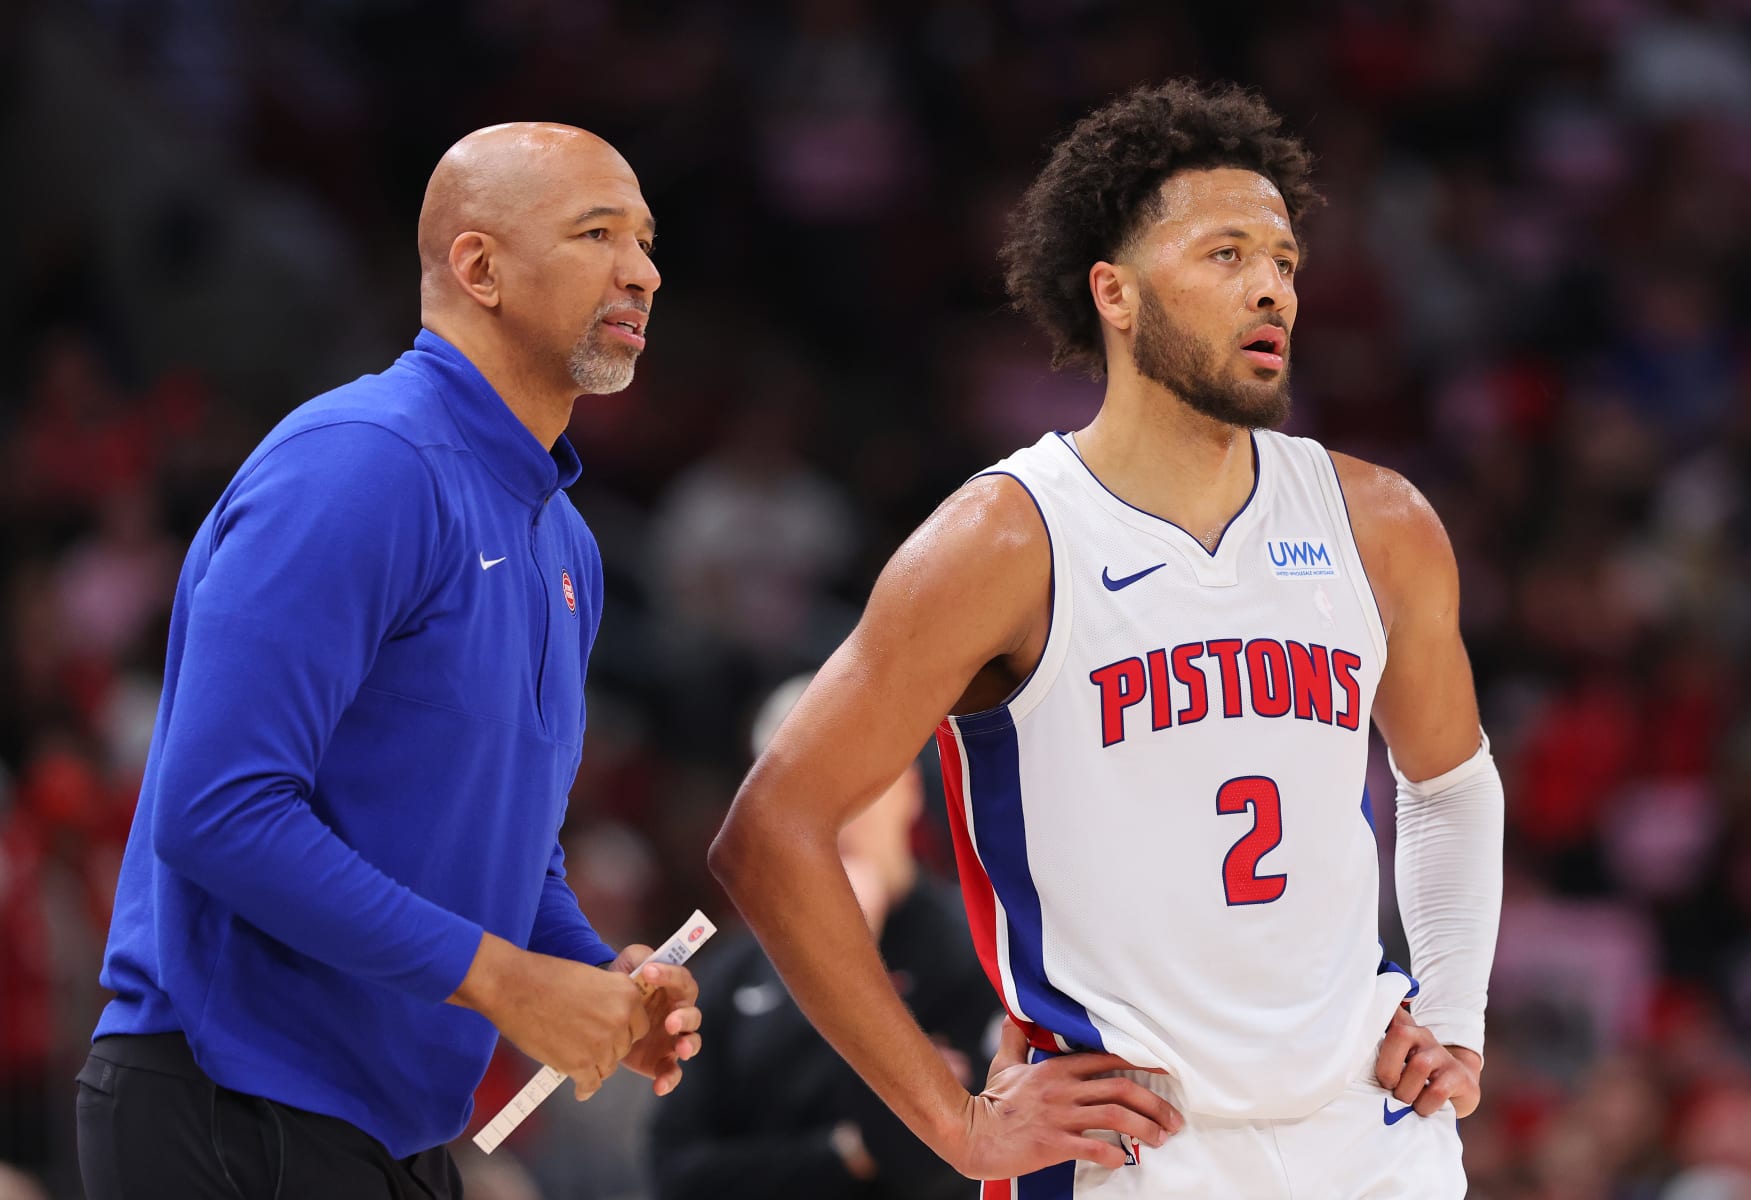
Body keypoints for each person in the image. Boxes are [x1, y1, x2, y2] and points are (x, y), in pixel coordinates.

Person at [710, 79, 1503, 1198]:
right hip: (1131, 1150)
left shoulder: (1379, 523)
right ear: (1115, 293)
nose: (1271, 285)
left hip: (1368, 1134)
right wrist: (957, 1125)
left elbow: (1452, 782)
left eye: (1282, 259)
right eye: (1226, 255)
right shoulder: (1002, 541)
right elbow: (771, 832)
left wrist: (1456, 1013)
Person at [76, 123, 703, 1200]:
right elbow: (217, 808)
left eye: (644, 240)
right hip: (228, 1108)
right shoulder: (365, 463)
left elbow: (507, 851)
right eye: (597, 233)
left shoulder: (567, 544)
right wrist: (511, 986)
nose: (641, 270)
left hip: (396, 1134)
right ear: (479, 266)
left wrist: (589, 976)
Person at [650, 676, 996, 1200]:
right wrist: (842, 1153)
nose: (831, 814)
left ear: (910, 789)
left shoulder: (983, 950)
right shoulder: (730, 973)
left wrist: (859, 947)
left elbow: (956, 1160)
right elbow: (677, 1174)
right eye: (798, 792)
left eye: (857, 781)